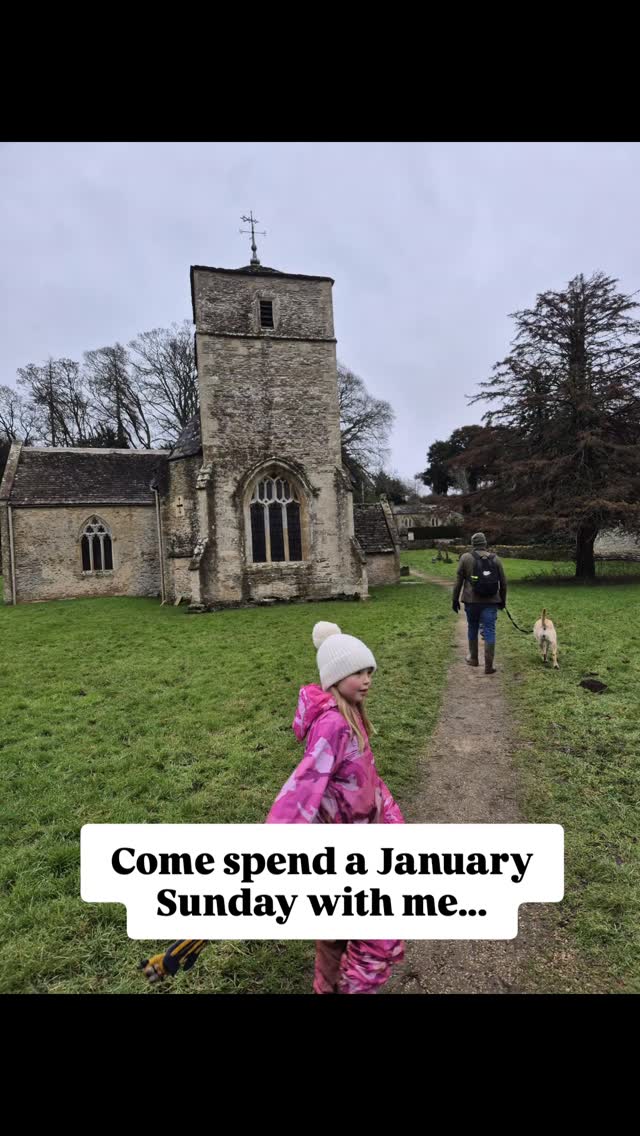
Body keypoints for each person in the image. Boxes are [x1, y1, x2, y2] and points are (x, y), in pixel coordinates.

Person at [266, 621, 405, 994]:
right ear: (334, 678)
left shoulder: (352, 717)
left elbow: (367, 777)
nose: (367, 679)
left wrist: (390, 819)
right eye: (357, 672)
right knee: (378, 936)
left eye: (369, 672)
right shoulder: (333, 726)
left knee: (335, 932)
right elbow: (303, 787)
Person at [452, 532, 508, 675]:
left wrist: (454, 599)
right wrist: (502, 600)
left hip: (471, 601)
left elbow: (458, 581)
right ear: (485, 543)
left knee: (472, 627)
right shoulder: (495, 559)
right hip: (491, 602)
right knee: (489, 630)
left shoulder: (465, 558)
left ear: (472, 544)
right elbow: (504, 583)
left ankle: (473, 659)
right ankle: (488, 666)